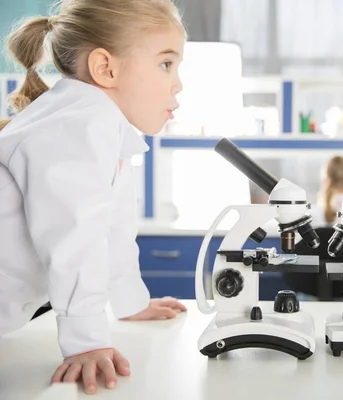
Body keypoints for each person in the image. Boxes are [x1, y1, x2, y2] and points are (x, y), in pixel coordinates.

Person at [0, 0, 188, 394]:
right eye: (166, 64)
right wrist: (86, 343)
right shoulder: (80, 123)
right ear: (106, 68)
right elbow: (75, 236)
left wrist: (129, 300)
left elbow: (111, 229)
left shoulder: (97, 124)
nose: (178, 83)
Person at [312, 156, 343, 227]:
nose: (341, 185)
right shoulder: (316, 213)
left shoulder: (316, 214)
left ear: (326, 180)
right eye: (337, 181)